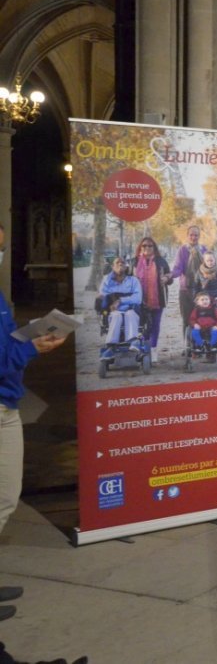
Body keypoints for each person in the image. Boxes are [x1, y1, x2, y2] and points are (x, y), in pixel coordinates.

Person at [0, 223, 66, 622]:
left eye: (3, 246)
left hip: (8, 404)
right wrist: (32, 350)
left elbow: (7, 342)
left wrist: (28, 337)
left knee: (6, 497)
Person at [133, 237, 171, 363]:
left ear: (154, 247)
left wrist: (166, 278)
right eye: (144, 246)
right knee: (141, 327)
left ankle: (153, 350)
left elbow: (170, 278)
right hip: (139, 301)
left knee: (155, 325)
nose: (147, 248)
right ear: (140, 247)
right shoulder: (134, 261)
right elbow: (127, 279)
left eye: (150, 246)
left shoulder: (161, 261)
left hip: (158, 300)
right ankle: (143, 348)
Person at [99, 256, 142, 356]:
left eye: (123, 262)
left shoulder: (133, 281)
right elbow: (103, 296)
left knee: (130, 314)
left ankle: (133, 342)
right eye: (117, 262)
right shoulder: (107, 281)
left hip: (131, 310)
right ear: (113, 267)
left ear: (126, 267)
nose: (120, 264)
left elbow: (138, 298)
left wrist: (120, 300)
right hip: (114, 311)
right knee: (116, 315)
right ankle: (111, 346)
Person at [170, 225, 206, 338]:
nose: (193, 237)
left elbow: (209, 265)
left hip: (201, 290)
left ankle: (201, 343)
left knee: (202, 317)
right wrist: (170, 275)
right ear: (187, 236)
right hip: (186, 289)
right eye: (191, 234)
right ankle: (188, 345)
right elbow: (178, 268)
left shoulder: (204, 249)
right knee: (186, 318)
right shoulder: (183, 250)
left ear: (199, 236)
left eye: (196, 235)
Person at [187, 292, 217, 361]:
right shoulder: (196, 310)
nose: (205, 301)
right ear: (197, 302)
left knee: (215, 331)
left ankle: (213, 345)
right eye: (202, 300)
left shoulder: (214, 309)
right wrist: (194, 324)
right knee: (194, 332)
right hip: (200, 328)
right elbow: (192, 319)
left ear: (210, 300)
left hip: (212, 327)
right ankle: (199, 345)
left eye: (206, 299)